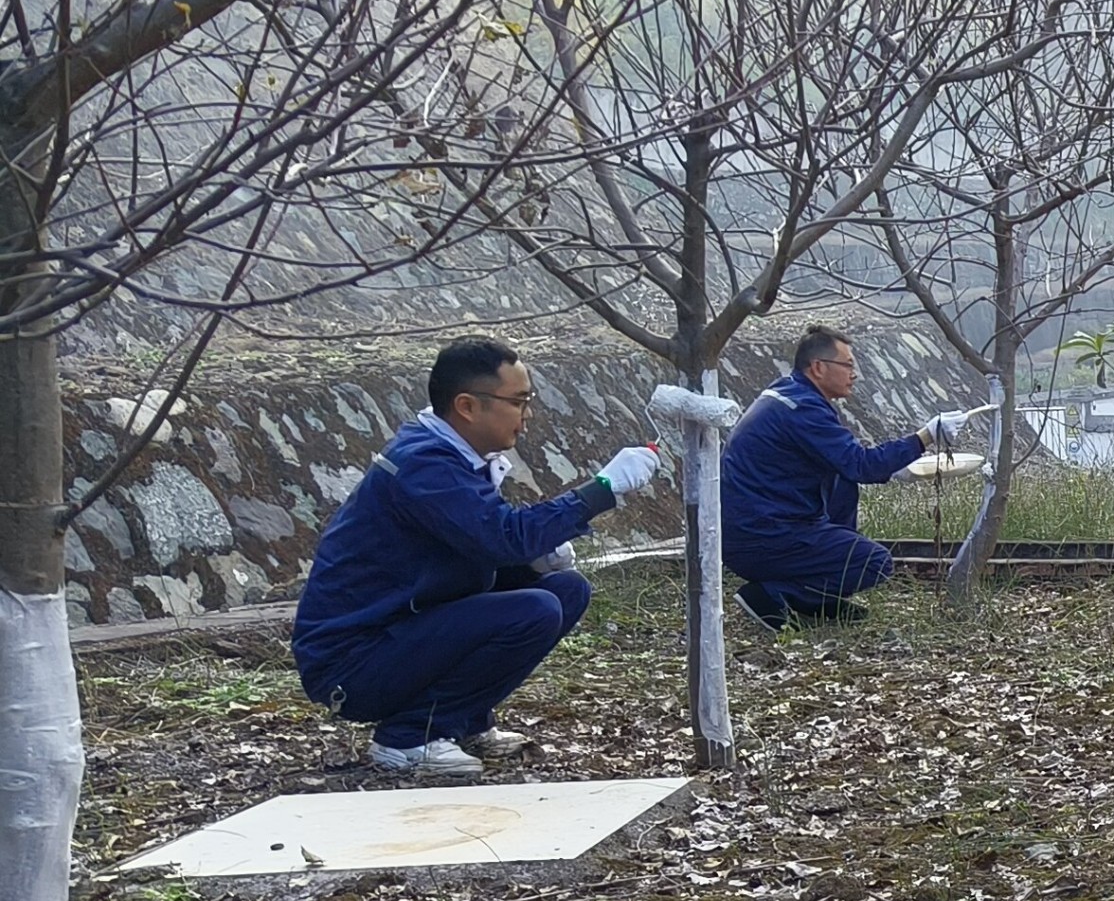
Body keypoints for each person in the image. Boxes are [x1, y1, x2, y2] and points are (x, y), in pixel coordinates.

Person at [292, 337, 660, 776]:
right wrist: (600, 490)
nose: (527, 415)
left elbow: (479, 544)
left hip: (396, 634)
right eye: (518, 402)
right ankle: (409, 738)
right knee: (535, 609)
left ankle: (464, 722)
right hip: (352, 665)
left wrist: (533, 558)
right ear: (467, 406)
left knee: (566, 589)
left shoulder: (449, 454)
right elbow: (503, 538)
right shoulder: (424, 465)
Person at [720, 324, 969, 631]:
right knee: (874, 562)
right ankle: (772, 594)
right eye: (848, 365)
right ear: (818, 367)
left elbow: (847, 462)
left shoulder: (792, 395)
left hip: (754, 528)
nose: (855, 374)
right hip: (760, 538)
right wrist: (925, 437)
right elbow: (862, 465)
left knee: (842, 481)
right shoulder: (803, 409)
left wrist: (896, 467)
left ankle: (819, 598)